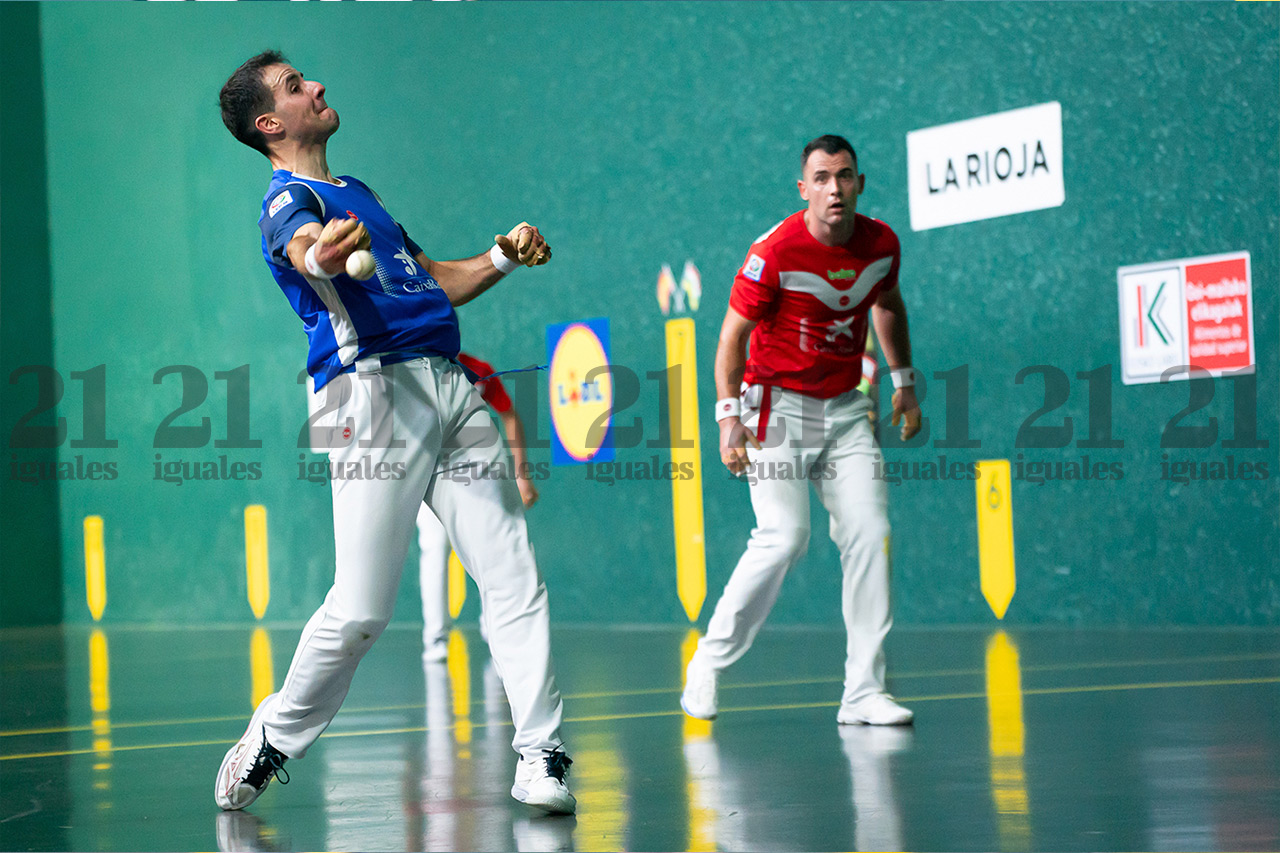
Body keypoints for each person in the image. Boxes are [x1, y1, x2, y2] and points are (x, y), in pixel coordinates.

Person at [215, 51, 574, 815]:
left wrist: (502, 257)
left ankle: (541, 752)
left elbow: (430, 277)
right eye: (294, 87)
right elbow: (302, 248)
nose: (317, 86)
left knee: (513, 572)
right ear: (271, 124)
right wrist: (326, 252)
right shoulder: (288, 200)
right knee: (362, 609)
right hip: (370, 395)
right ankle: (275, 731)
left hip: (449, 385)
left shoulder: (359, 192)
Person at [682, 135, 922, 727]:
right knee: (785, 536)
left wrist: (904, 382)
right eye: (821, 178)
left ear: (860, 183)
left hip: (845, 410)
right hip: (774, 410)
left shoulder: (882, 244)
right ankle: (707, 664)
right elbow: (731, 338)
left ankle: (864, 691)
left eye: (844, 176)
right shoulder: (775, 253)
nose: (834, 188)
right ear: (803, 188)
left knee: (870, 531)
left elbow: (888, 306)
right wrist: (727, 418)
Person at [418, 350, 539, 663]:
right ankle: (435, 639)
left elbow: (510, 415)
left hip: (478, 477)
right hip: (428, 478)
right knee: (435, 550)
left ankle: (495, 628)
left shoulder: (478, 370)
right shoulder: (414, 370)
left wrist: (521, 475)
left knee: (493, 549)